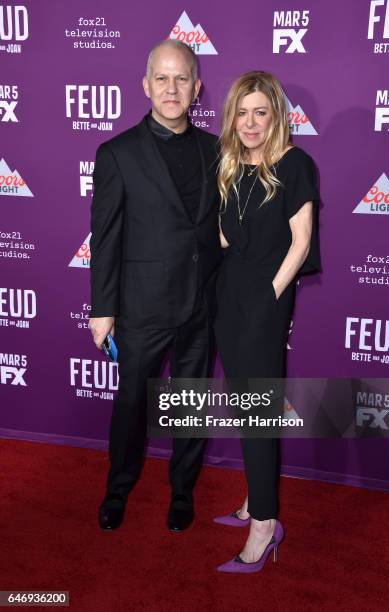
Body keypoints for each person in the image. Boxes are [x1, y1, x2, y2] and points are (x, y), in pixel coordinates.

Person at [88, 39, 221, 532]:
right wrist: (102, 309)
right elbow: (104, 240)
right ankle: (117, 488)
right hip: (140, 306)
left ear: (196, 87)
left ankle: (182, 491)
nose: (171, 88)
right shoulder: (116, 154)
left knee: (190, 403)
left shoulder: (217, 149)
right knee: (130, 407)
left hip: (200, 304)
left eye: (181, 78)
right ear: (145, 86)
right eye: (161, 78)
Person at [213, 71, 320, 572]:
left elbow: (301, 241)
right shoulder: (231, 165)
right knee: (244, 404)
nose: (251, 122)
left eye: (261, 111)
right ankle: (255, 503)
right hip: (226, 296)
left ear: (276, 114)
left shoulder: (296, 164)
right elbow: (225, 240)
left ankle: (264, 525)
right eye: (242, 112)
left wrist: (269, 296)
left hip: (264, 300)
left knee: (257, 413)